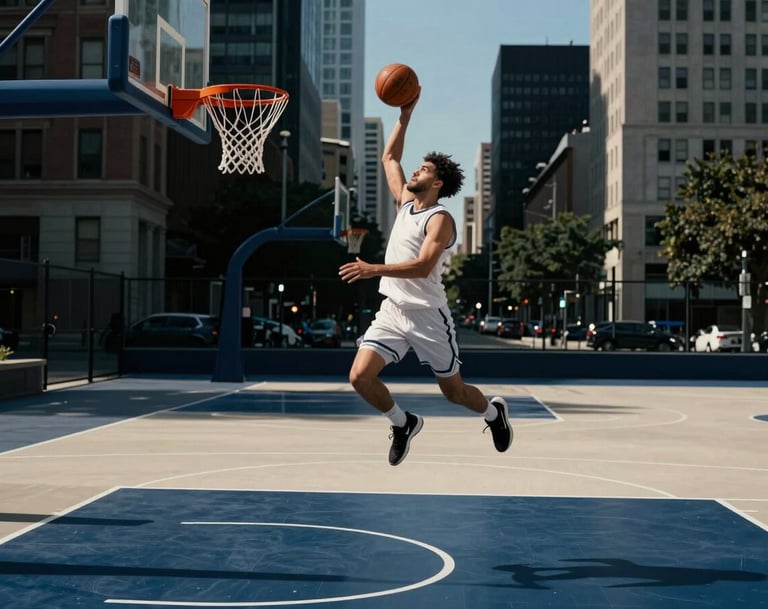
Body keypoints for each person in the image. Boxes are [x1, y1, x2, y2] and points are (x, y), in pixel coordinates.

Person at [338, 91, 512, 466]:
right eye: (418, 167)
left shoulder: (440, 219)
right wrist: (406, 113)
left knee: (455, 393)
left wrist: (373, 269)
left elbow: (422, 266)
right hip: (393, 311)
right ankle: (403, 423)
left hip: (428, 316)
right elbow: (389, 157)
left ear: (436, 184)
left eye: (425, 170)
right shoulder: (404, 204)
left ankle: (493, 414)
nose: (416, 171)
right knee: (359, 377)